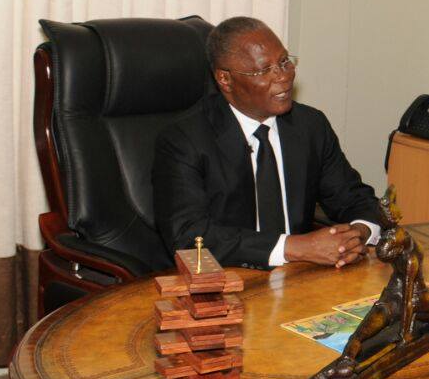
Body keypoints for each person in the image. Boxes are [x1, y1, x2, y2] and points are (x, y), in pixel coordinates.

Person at [153, 16, 381, 269]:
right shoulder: (184, 139)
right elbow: (188, 235)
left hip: (302, 276)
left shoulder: (310, 125)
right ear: (225, 79)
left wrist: (357, 234)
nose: (283, 77)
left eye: (284, 62)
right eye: (263, 70)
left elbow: (354, 198)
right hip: (229, 277)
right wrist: (294, 248)